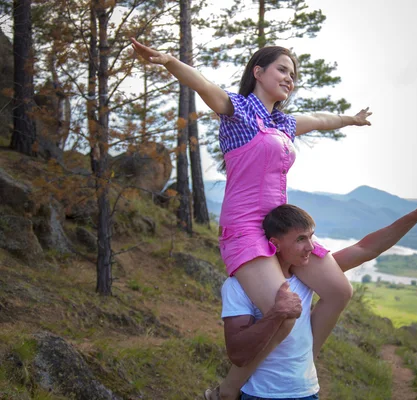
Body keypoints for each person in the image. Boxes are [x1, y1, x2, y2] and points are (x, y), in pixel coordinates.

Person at [130, 39, 372, 399]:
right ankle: (226, 392)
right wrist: (167, 61)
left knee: (339, 291)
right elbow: (202, 84)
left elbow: (322, 120)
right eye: (282, 70)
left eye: (293, 75)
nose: (289, 79)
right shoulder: (237, 111)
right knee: (284, 315)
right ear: (258, 72)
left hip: (281, 227)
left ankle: (307, 359)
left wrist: (351, 119)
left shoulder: (284, 123)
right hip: (244, 229)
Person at [213, 185, 417, 399]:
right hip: (261, 395)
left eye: (311, 237)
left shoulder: (307, 277)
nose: (310, 247)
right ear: (275, 244)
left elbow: (365, 248)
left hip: (308, 392)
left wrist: (415, 216)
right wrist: (276, 314)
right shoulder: (238, 286)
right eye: (300, 239)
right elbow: (237, 352)